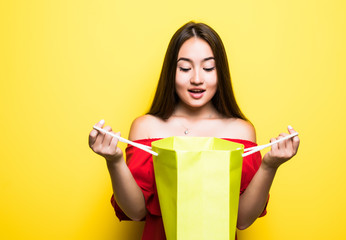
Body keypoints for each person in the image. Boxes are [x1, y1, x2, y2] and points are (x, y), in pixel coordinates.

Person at [88, 21, 300, 240]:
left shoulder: (241, 132)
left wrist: (269, 166)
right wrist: (114, 161)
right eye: (185, 68)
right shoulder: (146, 127)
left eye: (208, 68)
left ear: (221, 72)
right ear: (171, 71)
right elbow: (135, 212)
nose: (197, 79)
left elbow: (243, 219)